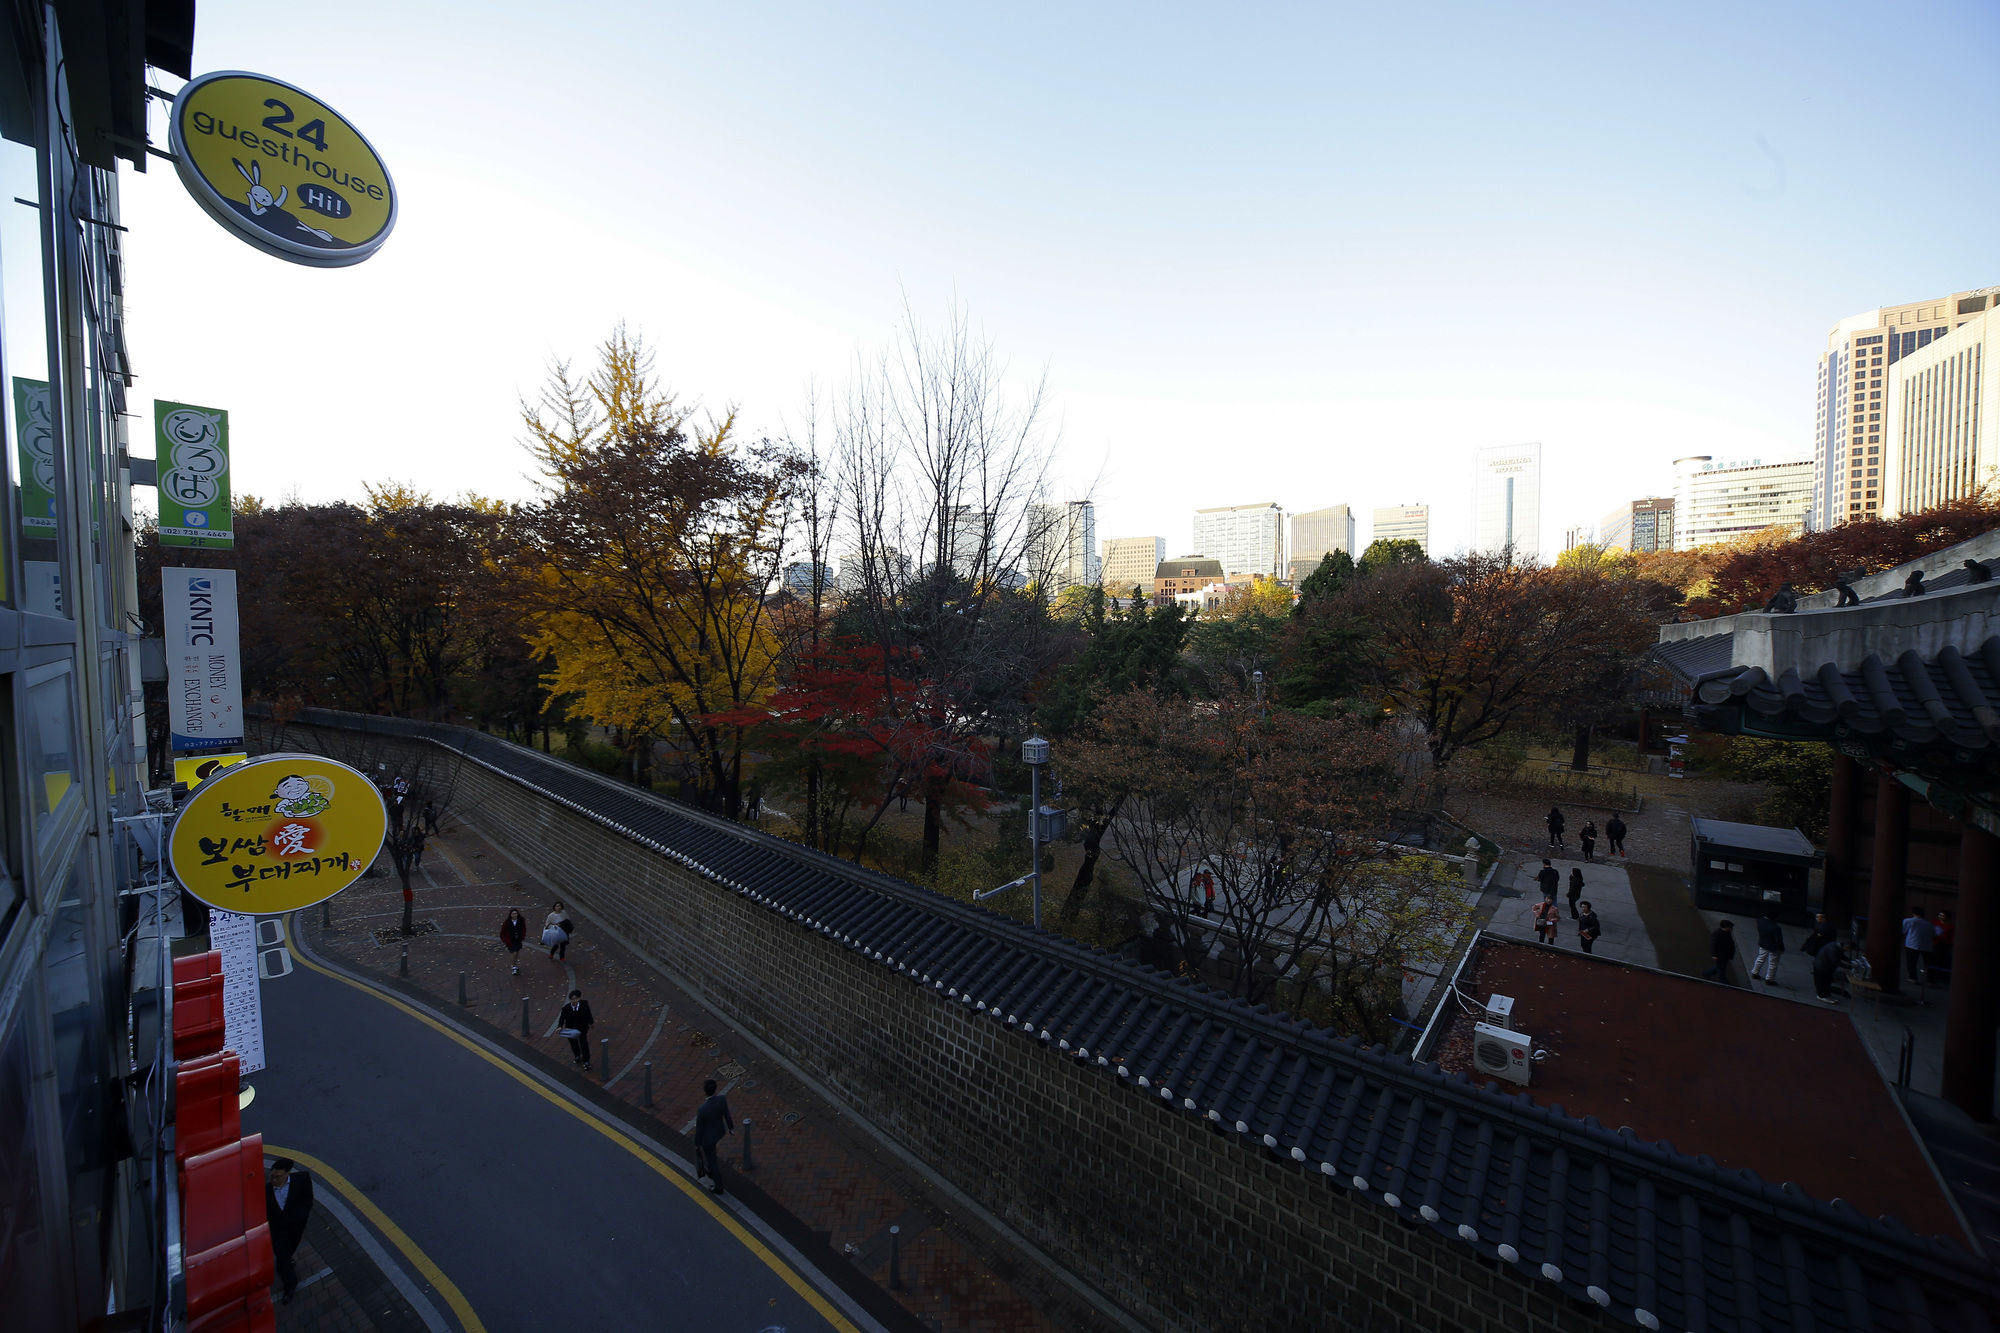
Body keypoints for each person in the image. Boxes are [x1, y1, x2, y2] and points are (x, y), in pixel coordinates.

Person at [265, 1157, 315, 1305]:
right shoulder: (266, 1191)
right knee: (282, 1259)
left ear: (288, 1173)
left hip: (295, 1227)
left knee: (290, 1250)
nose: (274, 1179)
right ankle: (290, 1285)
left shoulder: (302, 1179)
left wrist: (302, 1216)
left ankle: (288, 1259)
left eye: (278, 1176)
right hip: (278, 1230)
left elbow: (308, 1199)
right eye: (272, 1176)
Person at [694, 1078, 734, 1193]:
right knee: (711, 1157)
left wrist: (697, 1143)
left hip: (708, 1139)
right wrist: (731, 1128)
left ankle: (718, 1186)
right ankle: (711, 1171)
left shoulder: (702, 1109)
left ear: (705, 1091)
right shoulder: (721, 1100)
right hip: (719, 1132)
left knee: (712, 1161)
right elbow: (727, 1115)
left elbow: (699, 1129)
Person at [559, 989, 594, 1067]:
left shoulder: (584, 1005)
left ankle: (586, 1060)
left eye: (576, 999)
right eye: (572, 999)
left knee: (583, 1044)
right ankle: (577, 1055)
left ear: (579, 998)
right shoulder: (566, 1008)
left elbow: (588, 1014)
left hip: (582, 1028)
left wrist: (591, 1023)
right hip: (570, 1028)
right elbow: (562, 1018)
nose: (574, 1001)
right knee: (573, 1043)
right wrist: (560, 1026)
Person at [1750, 912, 1786, 985]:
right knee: (1773, 963)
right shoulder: (1776, 928)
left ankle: (1755, 973)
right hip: (1774, 947)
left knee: (1760, 959)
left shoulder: (1759, 921)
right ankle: (1769, 979)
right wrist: (1781, 948)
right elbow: (1779, 940)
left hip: (1763, 943)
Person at [1901, 905, 1935, 984]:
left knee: (1911, 962)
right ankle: (1929, 979)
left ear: (1913, 913)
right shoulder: (1928, 924)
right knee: (1927, 963)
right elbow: (1933, 934)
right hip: (1926, 945)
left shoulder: (1908, 921)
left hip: (1912, 944)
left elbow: (1903, 930)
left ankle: (1913, 978)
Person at [1812, 936, 1846, 1003]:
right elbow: (1835, 961)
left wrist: (1850, 961)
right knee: (1822, 981)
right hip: (1821, 966)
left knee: (1825, 981)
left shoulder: (1835, 946)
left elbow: (1840, 957)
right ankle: (1822, 995)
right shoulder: (1833, 949)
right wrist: (1848, 966)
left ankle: (1825, 994)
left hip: (1822, 965)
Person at [1703, 919, 1738, 985]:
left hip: (1725, 955)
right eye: (1730, 927)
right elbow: (1714, 945)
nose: (1731, 928)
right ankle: (1725, 982)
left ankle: (1706, 973)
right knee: (1721, 969)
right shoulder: (1717, 934)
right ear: (1726, 927)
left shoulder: (1727, 932)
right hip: (1720, 955)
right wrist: (1714, 955)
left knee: (1719, 967)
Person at [499, 909, 527, 975]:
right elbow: (502, 933)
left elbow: (523, 929)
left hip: (518, 939)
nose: (514, 915)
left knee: (516, 952)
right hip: (511, 941)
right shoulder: (507, 923)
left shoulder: (520, 921)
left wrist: (522, 936)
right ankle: (513, 966)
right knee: (514, 952)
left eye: (516, 913)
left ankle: (515, 964)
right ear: (510, 915)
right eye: (513, 914)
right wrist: (506, 940)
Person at [1931, 909, 1955, 982]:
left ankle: (1942, 977)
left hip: (1944, 946)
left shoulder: (1951, 927)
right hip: (1935, 944)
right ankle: (1933, 976)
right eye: (1940, 915)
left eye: (1943, 915)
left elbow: (1951, 939)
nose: (1940, 917)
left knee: (1944, 961)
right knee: (1934, 960)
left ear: (1948, 917)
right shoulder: (1934, 922)